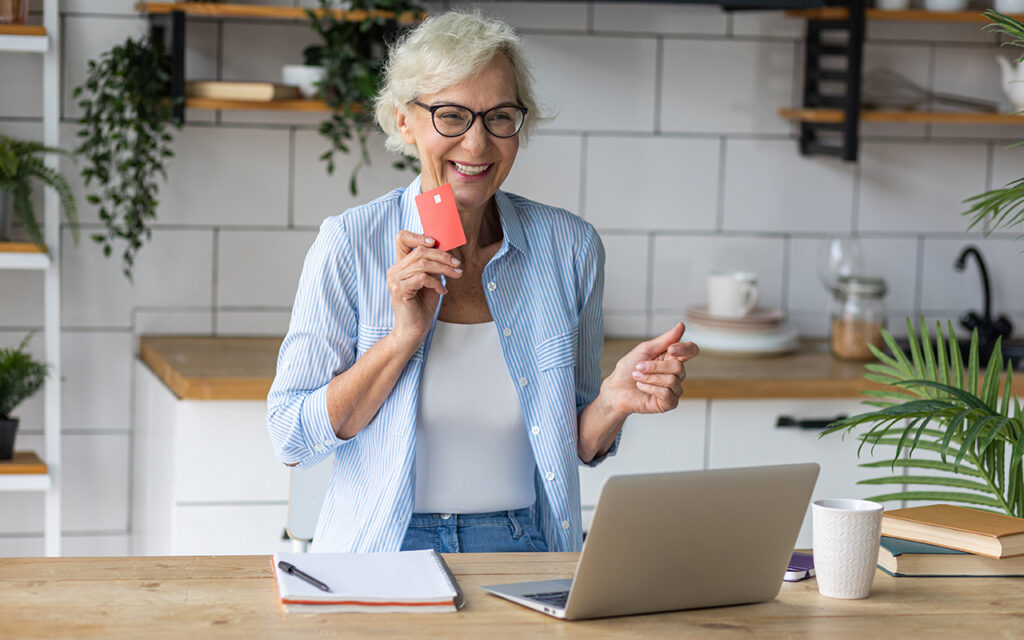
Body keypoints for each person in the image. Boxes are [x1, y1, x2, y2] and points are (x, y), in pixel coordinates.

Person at [266, 10, 699, 555]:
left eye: (499, 117)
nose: (477, 145)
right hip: (384, 546)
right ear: (405, 122)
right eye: (451, 116)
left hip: (522, 542)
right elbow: (290, 437)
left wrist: (613, 402)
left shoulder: (569, 248)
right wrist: (402, 338)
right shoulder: (350, 243)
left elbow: (573, 446)